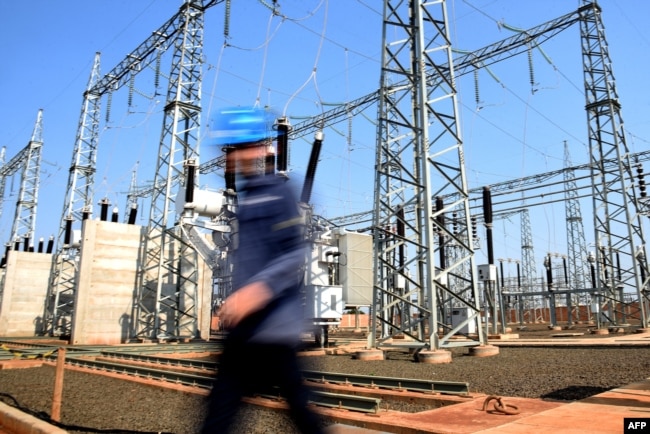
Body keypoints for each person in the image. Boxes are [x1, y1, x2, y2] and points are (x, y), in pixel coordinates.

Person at [201, 107, 325, 434]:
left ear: (256, 149)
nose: (229, 158)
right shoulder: (246, 198)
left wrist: (257, 291)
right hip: (244, 332)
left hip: (273, 329)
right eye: (228, 150)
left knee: (300, 411)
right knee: (218, 414)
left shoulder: (279, 192)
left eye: (236, 149)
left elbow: (296, 251)